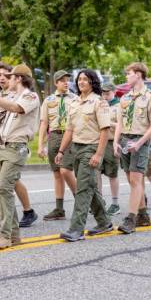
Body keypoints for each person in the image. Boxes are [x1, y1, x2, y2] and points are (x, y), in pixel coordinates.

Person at [0, 63, 40, 249]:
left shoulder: (30, 96)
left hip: (15, 147)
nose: (8, 79)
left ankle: (4, 235)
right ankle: (14, 235)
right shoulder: (8, 96)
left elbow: (16, 108)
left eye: (11, 76)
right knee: (1, 190)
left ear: (19, 78)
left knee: (4, 189)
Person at [56, 70, 113, 241]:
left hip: (92, 148)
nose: (81, 82)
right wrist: (61, 150)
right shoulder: (74, 102)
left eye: (85, 80)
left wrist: (98, 154)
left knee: (82, 189)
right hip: (76, 148)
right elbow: (69, 129)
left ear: (92, 82)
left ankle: (76, 229)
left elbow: (105, 130)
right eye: (79, 79)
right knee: (90, 187)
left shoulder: (99, 102)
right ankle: (104, 222)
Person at [113, 62, 151, 234]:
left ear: (138, 74)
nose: (126, 76)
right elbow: (119, 123)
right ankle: (142, 214)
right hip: (125, 140)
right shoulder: (124, 98)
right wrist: (115, 141)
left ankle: (130, 219)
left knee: (135, 179)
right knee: (133, 180)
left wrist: (140, 143)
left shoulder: (149, 97)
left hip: (140, 141)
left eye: (129, 73)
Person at [38, 70, 78, 221]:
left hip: (69, 136)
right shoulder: (48, 100)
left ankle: (80, 200)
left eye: (67, 79)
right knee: (57, 173)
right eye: (62, 80)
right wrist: (40, 145)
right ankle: (59, 208)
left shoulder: (75, 99)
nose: (66, 82)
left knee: (65, 170)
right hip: (54, 136)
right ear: (56, 83)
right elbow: (44, 123)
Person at [100, 82, 121, 215]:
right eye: (103, 93)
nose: (105, 96)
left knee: (112, 173)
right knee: (96, 173)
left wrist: (109, 123)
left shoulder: (119, 106)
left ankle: (115, 203)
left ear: (114, 92)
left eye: (107, 93)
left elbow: (121, 125)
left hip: (112, 141)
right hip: (99, 142)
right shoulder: (100, 105)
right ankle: (99, 201)